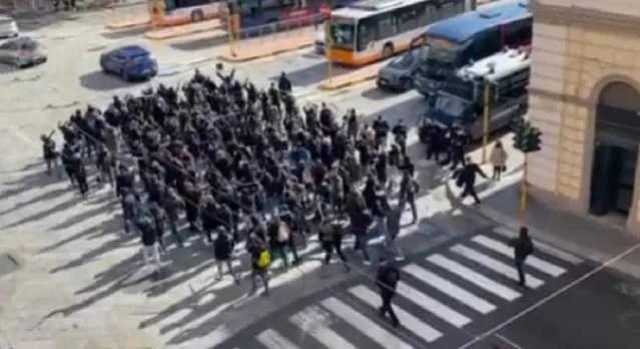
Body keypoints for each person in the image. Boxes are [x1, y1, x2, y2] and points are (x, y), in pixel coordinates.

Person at [376, 257, 400, 328]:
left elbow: (378, 281)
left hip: (385, 290)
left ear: (380, 262)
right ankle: (383, 310)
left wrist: (379, 288)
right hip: (392, 288)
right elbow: (398, 278)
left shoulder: (381, 270)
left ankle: (395, 320)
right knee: (386, 302)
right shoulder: (393, 267)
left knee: (387, 304)